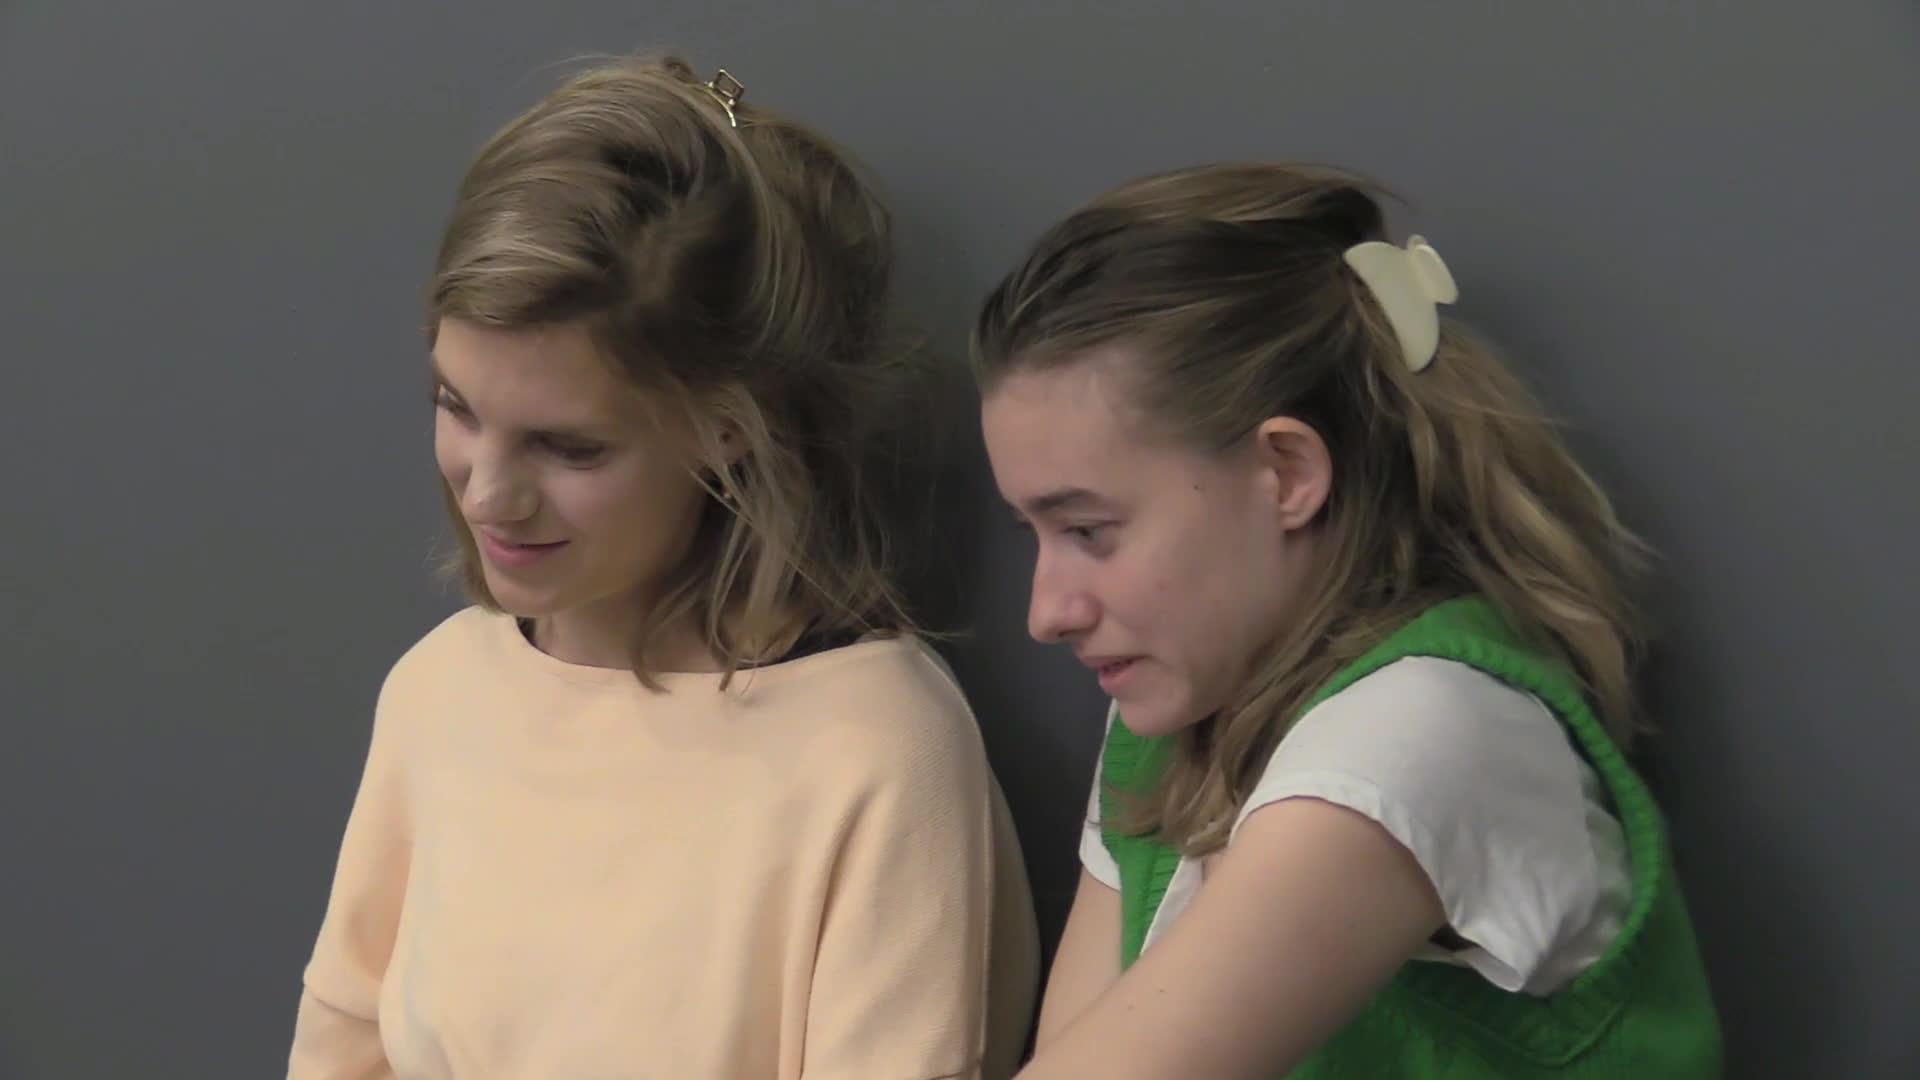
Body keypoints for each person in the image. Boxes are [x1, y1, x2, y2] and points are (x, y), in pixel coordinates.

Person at [286, 55, 1038, 1080]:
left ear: (728, 429)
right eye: (457, 407)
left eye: (570, 447)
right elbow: (341, 1048)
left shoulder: (875, 750)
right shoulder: (439, 691)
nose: (487, 495)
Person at [972, 163, 1721, 1078]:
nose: (1047, 612)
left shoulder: (1418, 733)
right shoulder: (1173, 710)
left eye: (1089, 531)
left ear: (1287, 474)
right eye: (1036, 534)